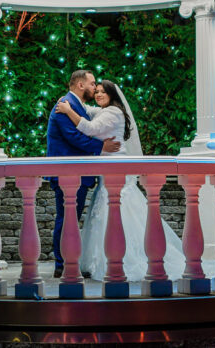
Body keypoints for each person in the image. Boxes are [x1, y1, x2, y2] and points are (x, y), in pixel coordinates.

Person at [55, 79, 186, 282]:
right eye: (96, 91)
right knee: (106, 211)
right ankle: (107, 256)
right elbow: (88, 110)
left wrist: (68, 110)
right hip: (106, 169)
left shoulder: (113, 113)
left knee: (119, 210)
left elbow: (89, 128)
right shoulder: (105, 110)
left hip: (115, 168)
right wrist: (73, 104)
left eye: (102, 92)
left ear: (112, 95)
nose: (98, 95)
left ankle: (123, 256)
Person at [46, 70, 120, 279]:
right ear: (80, 85)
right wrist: (101, 145)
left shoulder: (74, 106)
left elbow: (85, 126)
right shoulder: (64, 105)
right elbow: (73, 137)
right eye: (92, 83)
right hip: (67, 173)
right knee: (66, 217)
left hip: (77, 174)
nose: (94, 88)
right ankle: (61, 264)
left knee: (72, 217)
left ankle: (69, 260)